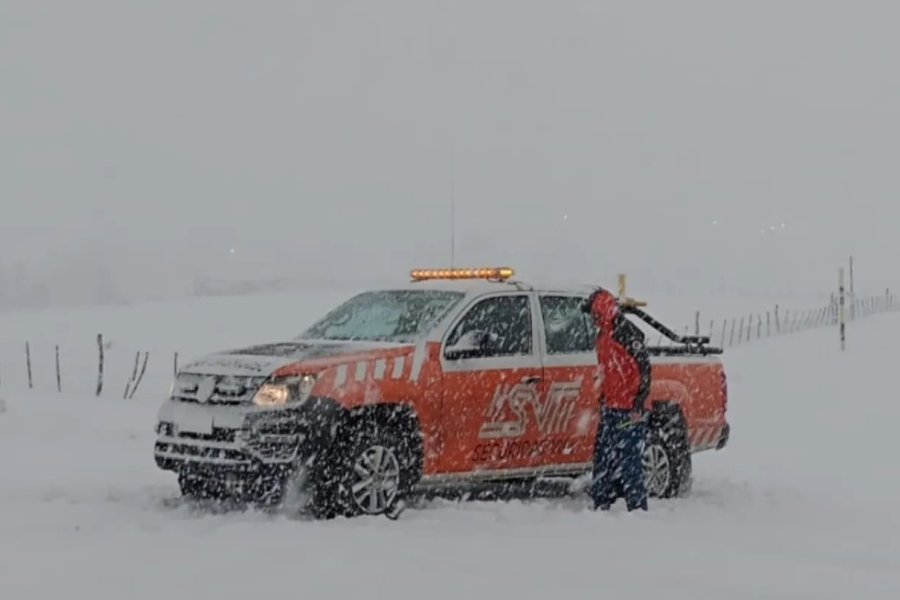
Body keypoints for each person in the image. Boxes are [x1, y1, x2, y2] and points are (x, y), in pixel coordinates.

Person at [582, 287, 651, 511]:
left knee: (629, 458)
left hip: (630, 408)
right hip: (611, 406)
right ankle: (602, 501)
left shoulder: (626, 333)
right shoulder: (602, 336)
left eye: (594, 315)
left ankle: (637, 507)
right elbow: (606, 370)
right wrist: (602, 396)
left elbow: (644, 368)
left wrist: (639, 400)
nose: (593, 320)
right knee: (603, 456)